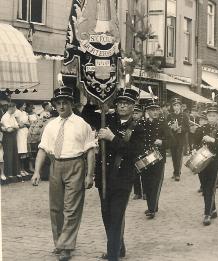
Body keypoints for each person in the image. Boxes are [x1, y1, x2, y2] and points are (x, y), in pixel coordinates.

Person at [31, 86, 96, 261]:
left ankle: (67, 246)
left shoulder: (82, 124)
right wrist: (37, 171)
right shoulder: (51, 125)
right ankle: (59, 242)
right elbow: (42, 149)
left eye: (65, 103)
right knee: (56, 208)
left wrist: (90, 175)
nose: (61, 106)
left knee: (72, 208)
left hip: (75, 165)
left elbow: (90, 150)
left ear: (72, 104)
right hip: (55, 166)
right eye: (58, 103)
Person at [81, 88, 143, 261]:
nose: (122, 106)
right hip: (104, 178)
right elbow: (86, 115)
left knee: (116, 216)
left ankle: (113, 255)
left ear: (133, 106)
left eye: (127, 103)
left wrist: (112, 138)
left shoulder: (138, 127)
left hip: (123, 179)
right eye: (120, 103)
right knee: (107, 215)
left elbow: (134, 152)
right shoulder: (107, 119)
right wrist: (96, 99)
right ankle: (119, 246)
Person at [193, 103, 218, 225]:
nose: (212, 118)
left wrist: (212, 140)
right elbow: (195, 143)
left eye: (214, 115)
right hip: (202, 161)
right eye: (210, 115)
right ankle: (213, 210)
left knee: (210, 187)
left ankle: (207, 214)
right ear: (207, 116)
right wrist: (195, 149)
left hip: (214, 162)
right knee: (205, 187)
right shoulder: (202, 129)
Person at [138, 99, 170, 219]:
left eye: (157, 110)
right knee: (146, 183)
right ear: (147, 111)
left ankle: (151, 208)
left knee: (156, 183)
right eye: (152, 110)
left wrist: (162, 142)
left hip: (158, 158)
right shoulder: (141, 124)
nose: (155, 112)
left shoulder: (163, 123)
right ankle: (152, 206)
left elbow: (172, 141)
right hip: (145, 157)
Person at [167, 98, 189, 181]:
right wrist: (171, 128)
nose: (176, 107)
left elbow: (187, 128)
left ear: (180, 106)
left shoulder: (185, 116)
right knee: (173, 156)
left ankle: (177, 173)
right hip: (172, 138)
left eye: (177, 105)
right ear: (172, 107)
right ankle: (175, 171)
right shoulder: (170, 115)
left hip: (181, 139)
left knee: (179, 156)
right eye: (174, 105)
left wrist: (181, 129)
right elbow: (166, 127)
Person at [1, 102, 20, 180]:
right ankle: (9, 173)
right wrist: (14, 127)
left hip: (13, 136)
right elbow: (8, 130)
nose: (15, 109)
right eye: (15, 108)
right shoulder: (5, 117)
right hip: (7, 137)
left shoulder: (12, 116)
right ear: (11, 108)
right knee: (8, 154)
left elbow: (17, 126)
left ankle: (14, 172)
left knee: (14, 153)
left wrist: (13, 127)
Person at [15, 101, 31, 178]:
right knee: (21, 151)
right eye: (24, 105)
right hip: (20, 133)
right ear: (20, 105)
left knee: (25, 152)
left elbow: (28, 123)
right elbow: (18, 124)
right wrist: (24, 124)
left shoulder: (25, 113)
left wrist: (24, 124)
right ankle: (20, 170)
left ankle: (23, 169)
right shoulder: (17, 112)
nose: (25, 106)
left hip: (25, 132)